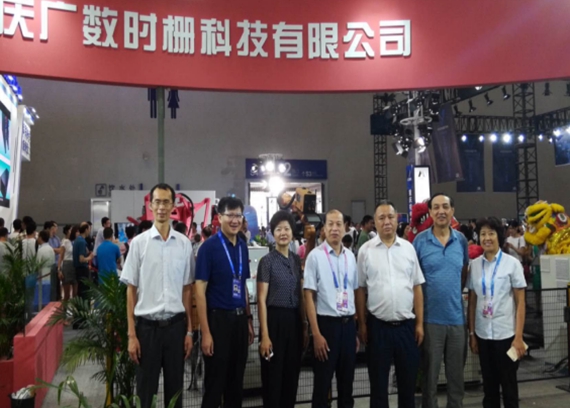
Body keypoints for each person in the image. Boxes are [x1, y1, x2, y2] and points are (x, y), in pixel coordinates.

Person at [121, 183, 194, 408]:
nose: (161, 207)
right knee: (145, 396)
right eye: (157, 202)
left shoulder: (184, 244)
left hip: (175, 329)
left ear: (173, 206)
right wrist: (132, 335)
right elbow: (131, 290)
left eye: (166, 202)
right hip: (147, 331)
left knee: (175, 397)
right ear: (151, 206)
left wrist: (189, 331)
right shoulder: (139, 244)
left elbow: (187, 290)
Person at [356, 201, 425, 408]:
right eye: (381, 218)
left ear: (397, 220)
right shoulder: (365, 251)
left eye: (390, 217)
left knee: (407, 386)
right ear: (375, 222)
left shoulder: (408, 249)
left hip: (406, 328)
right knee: (378, 387)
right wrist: (362, 324)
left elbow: (417, 287)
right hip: (378, 328)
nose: (387, 222)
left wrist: (419, 324)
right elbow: (360, 289)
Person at [195, 196, 255, 408]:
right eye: (230, 215)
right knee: (214, 384)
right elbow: (199, 292)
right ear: (219, 217)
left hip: (239, 322)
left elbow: (243, 285)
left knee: (236, 384)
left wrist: (248, 319)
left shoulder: (242, 246)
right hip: (218, 322)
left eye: (239, 215)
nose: (235, 220)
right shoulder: (208, 248)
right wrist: (206, 332)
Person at [412, 193, 469, 408]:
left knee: (456, 381)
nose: (441, 211)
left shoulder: (461, 240)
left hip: (457, 321)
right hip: (430, 322)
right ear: (430, 212)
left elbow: (463, 273)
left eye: (445, 207)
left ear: (452, 210)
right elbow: (414, 281)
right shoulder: (420, 241)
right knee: (429, 381)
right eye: (436, 207)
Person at [467, 217, 527, 408]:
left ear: (498, 236)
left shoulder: (512, 264)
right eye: (483, 234)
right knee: (489, 389)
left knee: (509, 389)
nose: (487, 238)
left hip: (506, 336)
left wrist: (519, 337)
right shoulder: (474, 265)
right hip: (483, 335)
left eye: (491, 233)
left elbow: (520, 303)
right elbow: (472, 303)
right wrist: (472, 334)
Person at [304, 209, 359, 408]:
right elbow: (308, 296)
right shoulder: (315, 257)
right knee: (322, 385)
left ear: (345, 228)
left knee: (347, 386)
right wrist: (316, 334)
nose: (335, 228)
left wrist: (354, 331)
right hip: (326, 327)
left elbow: (352, 293)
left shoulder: (350, 257)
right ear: (324, 229)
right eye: (330, 224)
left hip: (348, 326)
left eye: (338, 224)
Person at [257, 210, 308, 408]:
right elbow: (261, 300)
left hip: (294, 322)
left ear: (292, 232)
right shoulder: (267, 261)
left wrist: (304, 325)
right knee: (273, 378)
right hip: (274, 322)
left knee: (291, 376)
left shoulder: (295, 260)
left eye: (286, 229)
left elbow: (301, 295)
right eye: (278, 229)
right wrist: (265, 335)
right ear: (273, 233)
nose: (283, 233)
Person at [73, 223, 94, 299]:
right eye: (89, 229)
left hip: (78, 270)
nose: (89, 231)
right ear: (86, 230)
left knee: (80, 289)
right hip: (82, 269)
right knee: (84, 291)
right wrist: (90, 257)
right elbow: (81, 259)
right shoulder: (82, 242)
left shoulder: (77, 240)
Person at [58, 225, 77, 301]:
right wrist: (59, 270)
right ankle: (64, 308)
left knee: (75, 293)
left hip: (74, 265)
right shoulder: (64, 242)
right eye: (70, 230)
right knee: (67, 295)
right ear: (67, 231)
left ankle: (75, 308)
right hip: (67, 265)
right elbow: (61, 256)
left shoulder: (74, 241)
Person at [37, 230, 55, 305]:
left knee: (41, 298)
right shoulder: (51, 249)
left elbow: (37, 264)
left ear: (41, 238)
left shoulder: (40, 250)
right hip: (50, 276)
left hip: (42, 276)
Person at [46, 221, 63, 301]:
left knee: (57, 284)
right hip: (49, 264)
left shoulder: (57, 238)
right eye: (54, 227)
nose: (56, 229)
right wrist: (56, 250)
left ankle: (58, 299)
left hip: (57, 264)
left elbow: (60, 250)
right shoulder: (47, 238)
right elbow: (49, 249)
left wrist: (55, 250)